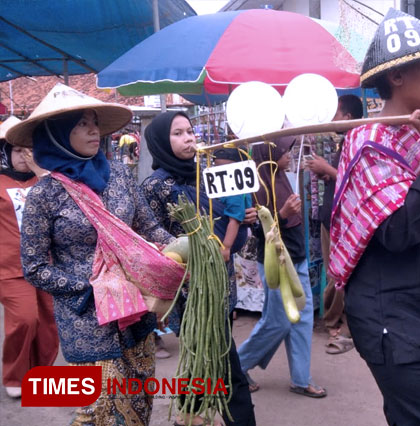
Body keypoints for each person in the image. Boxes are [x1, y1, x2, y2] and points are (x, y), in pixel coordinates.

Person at [328, 9, 420, 425]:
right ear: (396, 76)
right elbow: (399, 232)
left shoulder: (418, 136)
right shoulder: (368, 141)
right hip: (392, 320)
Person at [9, 83, 174, 425]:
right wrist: (90, 289)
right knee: (100, 412)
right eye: (81, 123)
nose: (93, 129)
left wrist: (185, 247)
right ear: (56, 133)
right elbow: (35, 268)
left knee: (139, 403)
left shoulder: (119, 177)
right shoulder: (45, 195)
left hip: (136, 310)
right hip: (87, 320)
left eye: (94, 122)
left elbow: (149, 229)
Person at [140, 111, 256, 426]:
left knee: (202, 360)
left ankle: (188, 416)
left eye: (190, 131)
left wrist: (246, 219)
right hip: (190, 294)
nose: (188, 138)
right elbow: (152, 244)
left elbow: (232, 221)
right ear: (161, 141)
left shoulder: (210, 175)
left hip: (223, 284)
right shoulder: (154, 187)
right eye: (177, 133)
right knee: (223, 362)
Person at [237, 136, 327, 398]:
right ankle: (236, 366)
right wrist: (285, 214)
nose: (290, 155)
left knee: (302, 318)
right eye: (286, 150)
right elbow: (256, 227)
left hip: (296, 257)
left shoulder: (281, 178)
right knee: (278, 322)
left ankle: (301, 379)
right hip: (275, 260)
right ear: (270, 151)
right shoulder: (257, 183)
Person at [0, 117, 58, 399]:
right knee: (25, 319)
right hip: (9, 267)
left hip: (46, 265)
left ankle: (40, 372)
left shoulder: (46, 180)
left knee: (48, 322)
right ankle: (13, 373)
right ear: (5, 152)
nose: (24, 155)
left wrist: (41, 170)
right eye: (17, 150)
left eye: (29, 149)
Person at [303, 94, 364, 355]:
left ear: (347, 116)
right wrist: (326, 175)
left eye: (335, 113)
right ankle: (335, 321)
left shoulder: (359, 142)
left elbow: (360, 182)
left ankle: (341, 324)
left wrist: (327, 169)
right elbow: (341, 181)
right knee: (334, 272)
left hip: (346, 222)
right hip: (333, 218)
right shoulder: (346, 142)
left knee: (341, 274)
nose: (330, 118)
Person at [212, 148, 254, 263]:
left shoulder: (234, 191)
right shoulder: (225, 187)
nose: (221, 174)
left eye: (226, 170)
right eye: (217, 169)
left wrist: (226, 247)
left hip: (231, 237)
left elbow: (234, 220)